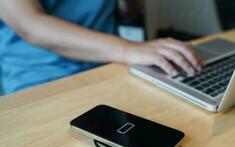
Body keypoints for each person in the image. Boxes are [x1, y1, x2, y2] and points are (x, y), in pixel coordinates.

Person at [0, 0, 203, 94]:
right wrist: (128, 49)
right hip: (41, 79)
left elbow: (128, 11)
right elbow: (30, 25)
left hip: (110, 67)